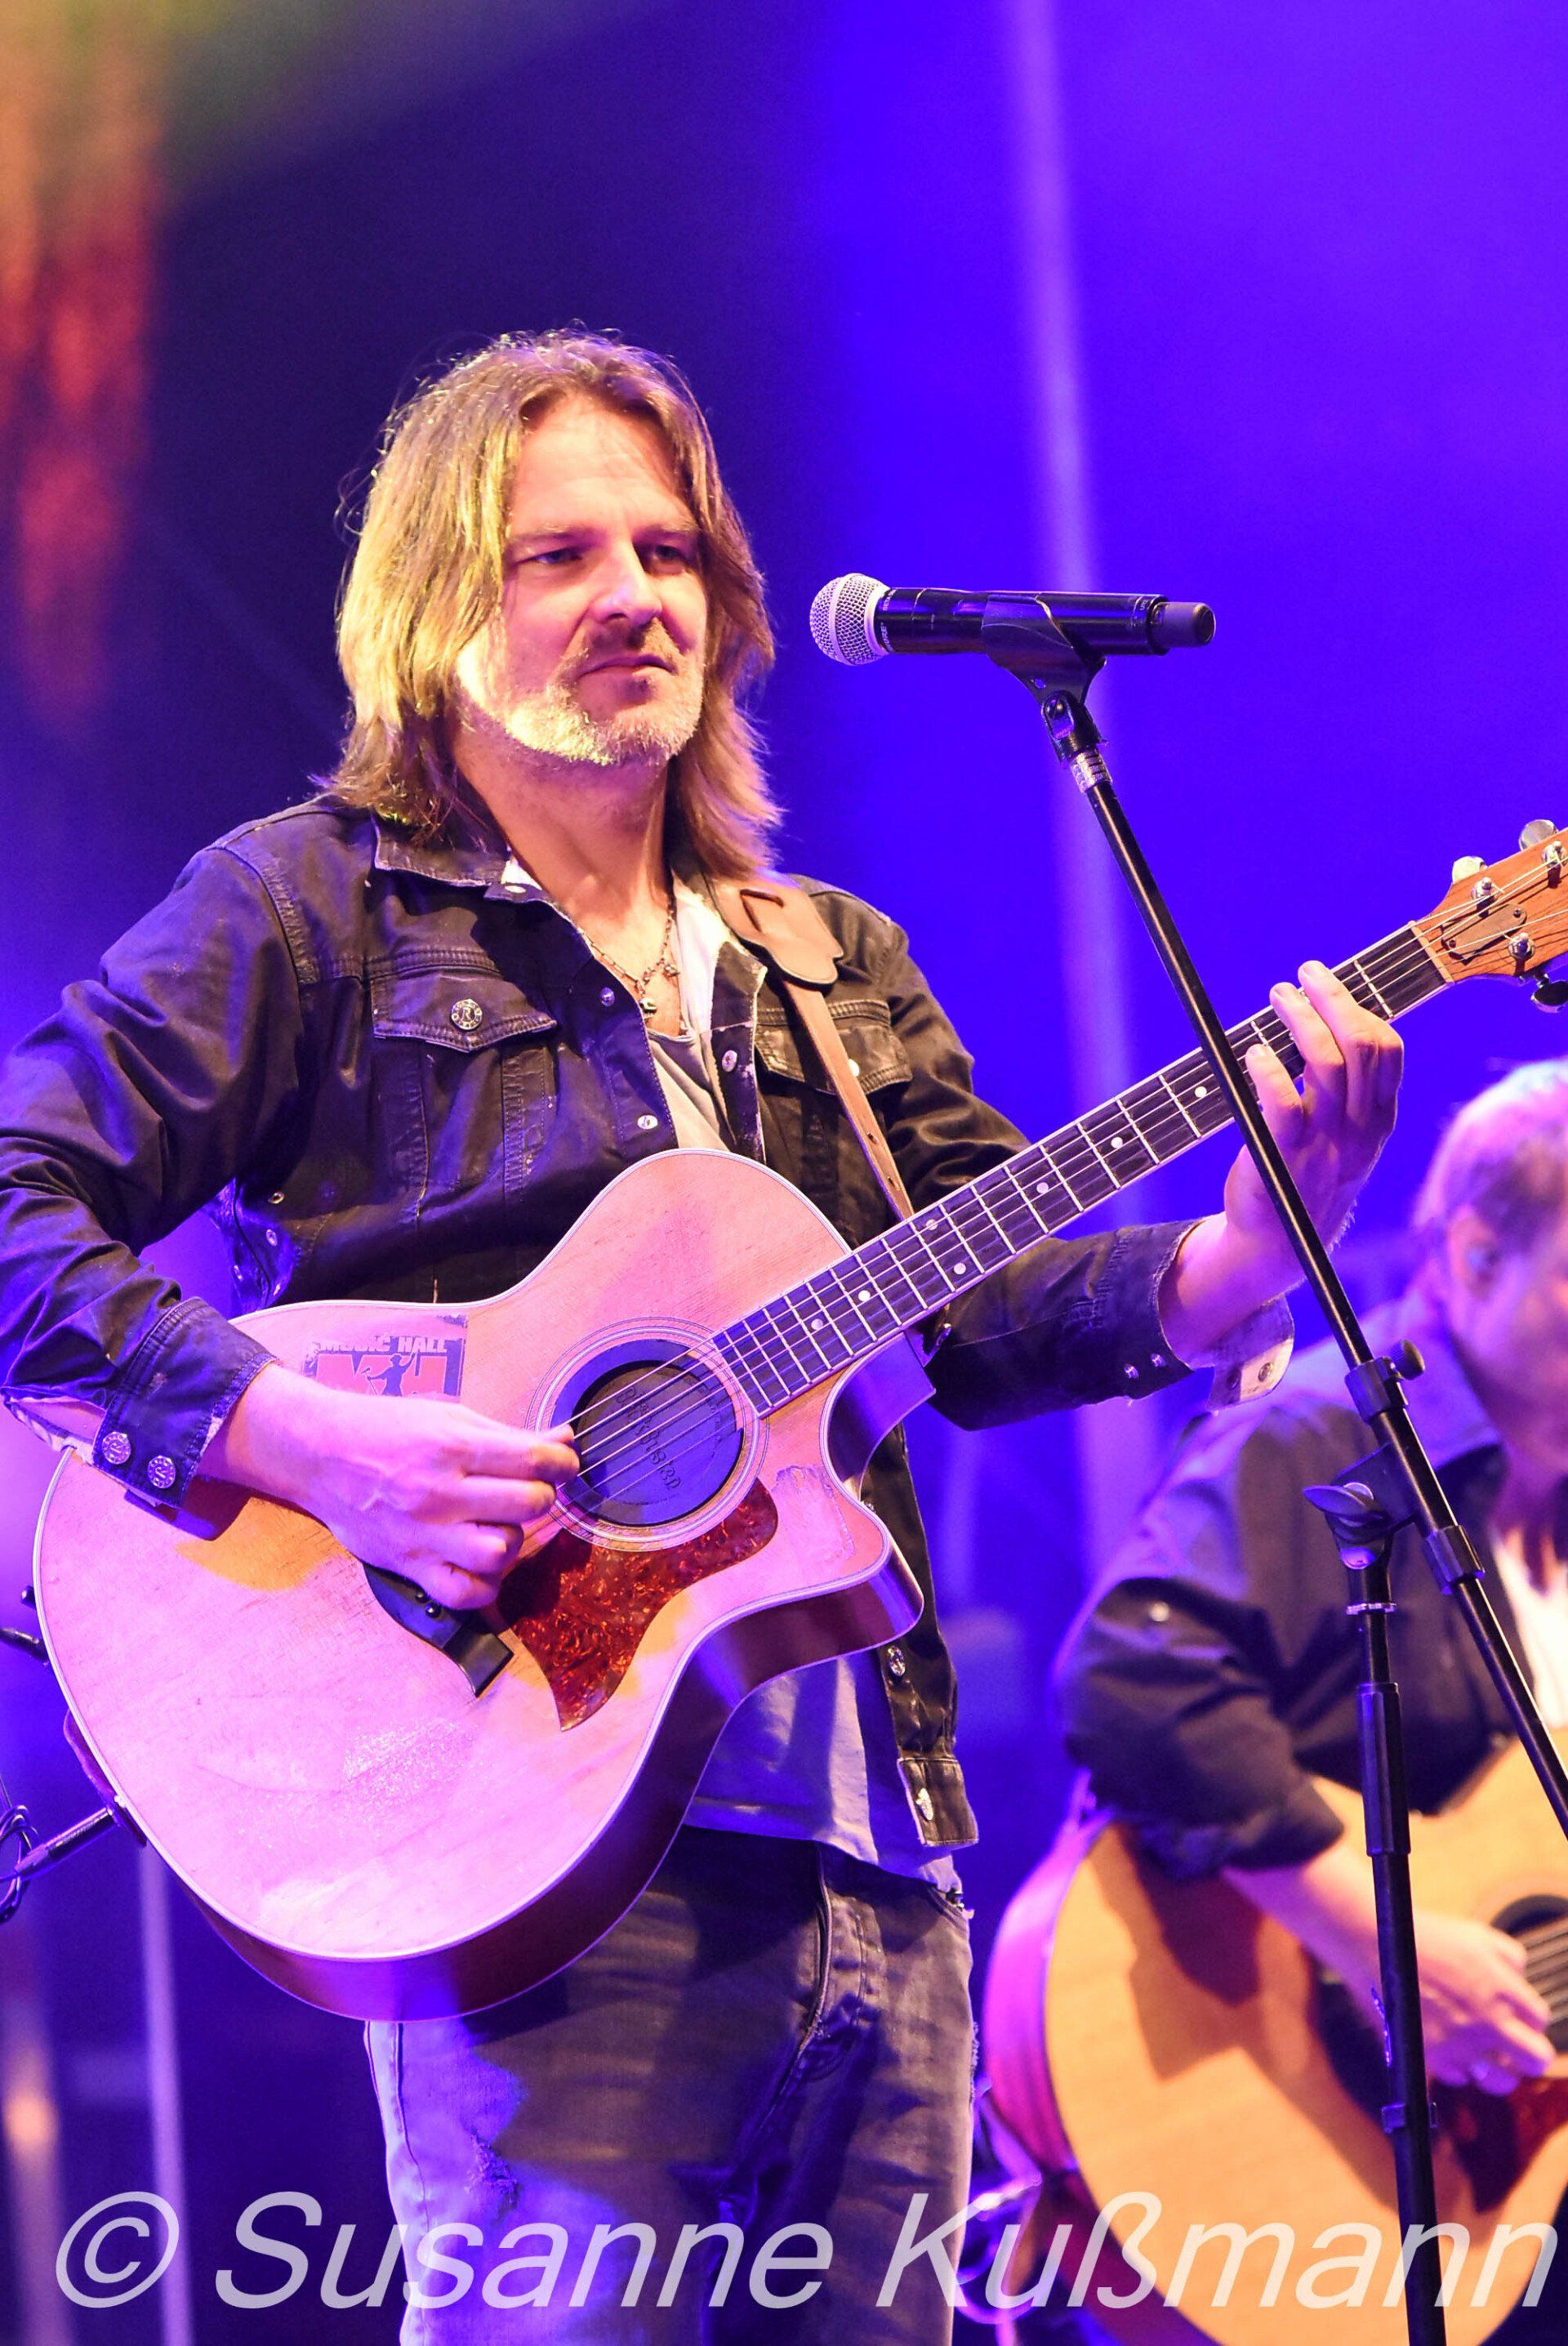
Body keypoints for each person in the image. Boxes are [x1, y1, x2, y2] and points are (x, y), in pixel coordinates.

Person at [0, 330, 1400, 2340]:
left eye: (667, 551)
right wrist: (310, 1440)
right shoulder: (309, 911)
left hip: (878, 1862)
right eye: (558, 554)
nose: (632, 594)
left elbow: (978, 1311)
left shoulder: (827, 959)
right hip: (533, 1864)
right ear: (436, 602)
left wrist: (1253, 1251)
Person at [1057, 1057, 1568, 2340]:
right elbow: (1134, 1675)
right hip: (1319, 2131)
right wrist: (1374, 1939)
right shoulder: (1325, 1437)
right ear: (1476, 1255)